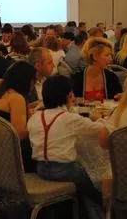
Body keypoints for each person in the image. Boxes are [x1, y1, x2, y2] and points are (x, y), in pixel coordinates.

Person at [27, 76, 104, 217]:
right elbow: (100, 130)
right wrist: (97, 118)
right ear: (69, 96)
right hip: (65, 171)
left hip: (41, 169)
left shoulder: (35, 117)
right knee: (95, 185)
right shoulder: (69, 119)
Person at [0, 60, 37, 172]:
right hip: (11, 156)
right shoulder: (16, 98)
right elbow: (20, 135)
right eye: (34, 80)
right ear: (28, 81)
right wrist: (36, 123)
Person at [71, 37, 121, 102]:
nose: (111, 59)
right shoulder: (76, 79)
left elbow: (119, 99)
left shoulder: (111, 77)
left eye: (110, 55)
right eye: (107, 55)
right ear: (94, 56)